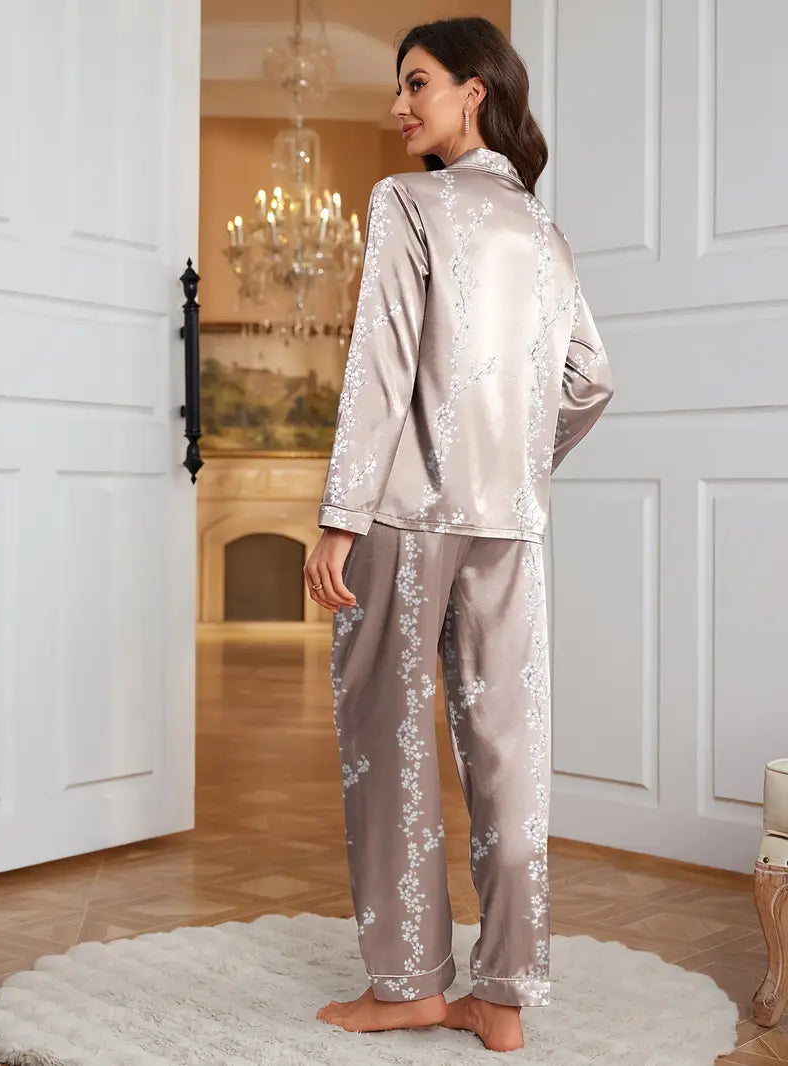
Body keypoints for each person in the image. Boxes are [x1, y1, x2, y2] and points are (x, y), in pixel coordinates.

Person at [303, 15, 614, 1054]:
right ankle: (504, 996)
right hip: (508, 523)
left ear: (473, 90)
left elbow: (380, 365)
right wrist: (516, 462)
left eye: (417, 83)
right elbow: (591, 380)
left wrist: (339, 516)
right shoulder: (543, 230)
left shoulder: (408, 202)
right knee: (507, 748)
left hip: (403, 515)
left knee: (387, 738)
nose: (399, 105)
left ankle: (408, 983)